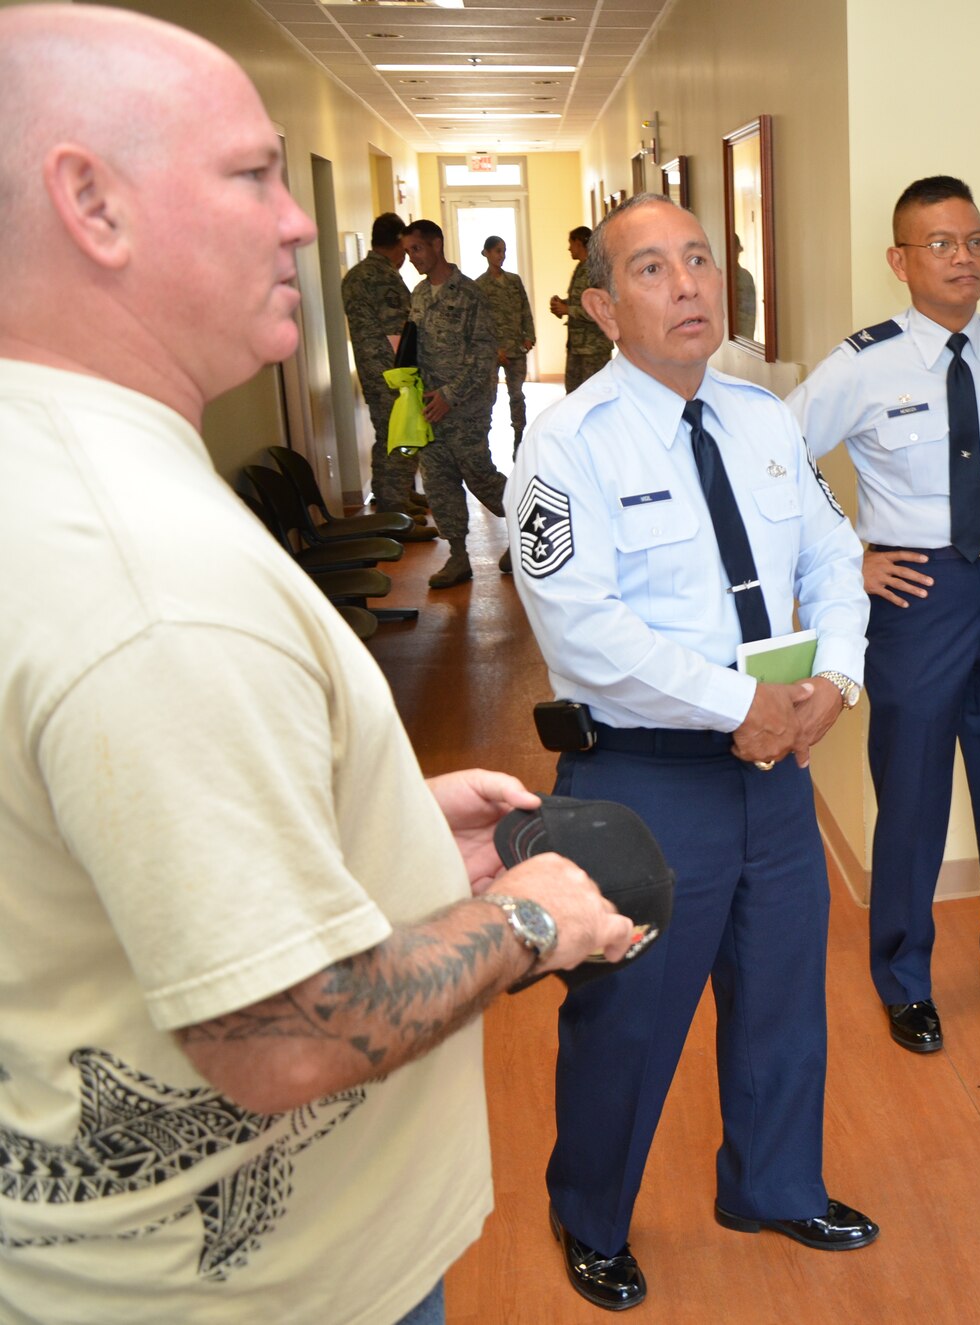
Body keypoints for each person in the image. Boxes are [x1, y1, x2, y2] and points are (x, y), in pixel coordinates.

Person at [0, 8, 635, 1324]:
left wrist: (388, 828)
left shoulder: (54, 469)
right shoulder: (151, 584)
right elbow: (279, 1035)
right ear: (89, 202)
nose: (298, 223)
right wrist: (533, 919)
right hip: (265, 1294)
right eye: (251, 175)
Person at [506, 194, 878, 1313]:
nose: (688, 286)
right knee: (627, 1016)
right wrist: (736, 704)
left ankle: (772, 1183)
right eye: (654, 269)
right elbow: (581, 624)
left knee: (779, 995)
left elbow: (835, 553)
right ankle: (592, 1216)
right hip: (643, 779)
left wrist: (838, 678)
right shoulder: (568, 441)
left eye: (701, 261)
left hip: (774, 771)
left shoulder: (761, 417)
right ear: (603, 304)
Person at [787, 175, 980, 1054]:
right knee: (913, 797)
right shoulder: (865, 363)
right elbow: (774, 454)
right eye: (943, 244)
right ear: (900, 260)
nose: (965, 259)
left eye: (976, 241)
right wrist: (852, 555)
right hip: (917, 601)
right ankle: (904, 978)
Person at [402, 218, 509, 589]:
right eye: (407, 252)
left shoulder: (469, 295)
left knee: (479, 475)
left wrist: (450, 395)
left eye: (416, 249)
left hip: (466, 408)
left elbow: (482, 358)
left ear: (436, 245)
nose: (412, 257)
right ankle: (458, 557)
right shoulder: (417, 294)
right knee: (439, 481)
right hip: (428, 408)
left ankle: (527, 530)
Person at [341, 211, 430, 522]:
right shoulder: (382, 277)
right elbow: (397, 333)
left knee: (386, 433)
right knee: (400, 434)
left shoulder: (355, 275)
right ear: (396, 243)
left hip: (371, 370)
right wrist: (413, 376)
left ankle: (396, 495)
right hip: (392, 373)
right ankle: (396, 511)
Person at [475, 234, 535, 454]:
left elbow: (525, 309)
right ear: (487, 253)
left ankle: (519, 437)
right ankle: (483, 442)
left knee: (517, 395)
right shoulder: (479, 285)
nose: (502, 255)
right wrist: (493, 350)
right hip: (492, 352)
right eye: (497, 251)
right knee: (488, 397)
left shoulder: (514, 280)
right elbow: (479, 323)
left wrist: (529, 335)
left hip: (516, 349)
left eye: (504, 250)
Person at [550, 224, 613, 391]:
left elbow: (602, 308)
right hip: (577, 347)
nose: (569, 248)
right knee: (574, 394)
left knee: (594, 394)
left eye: (571, 243)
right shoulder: (581, 268)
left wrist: (568, 310)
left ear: (579, 243)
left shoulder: (597, 271)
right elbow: (582, 300)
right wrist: (562, 304)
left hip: (593, 349)